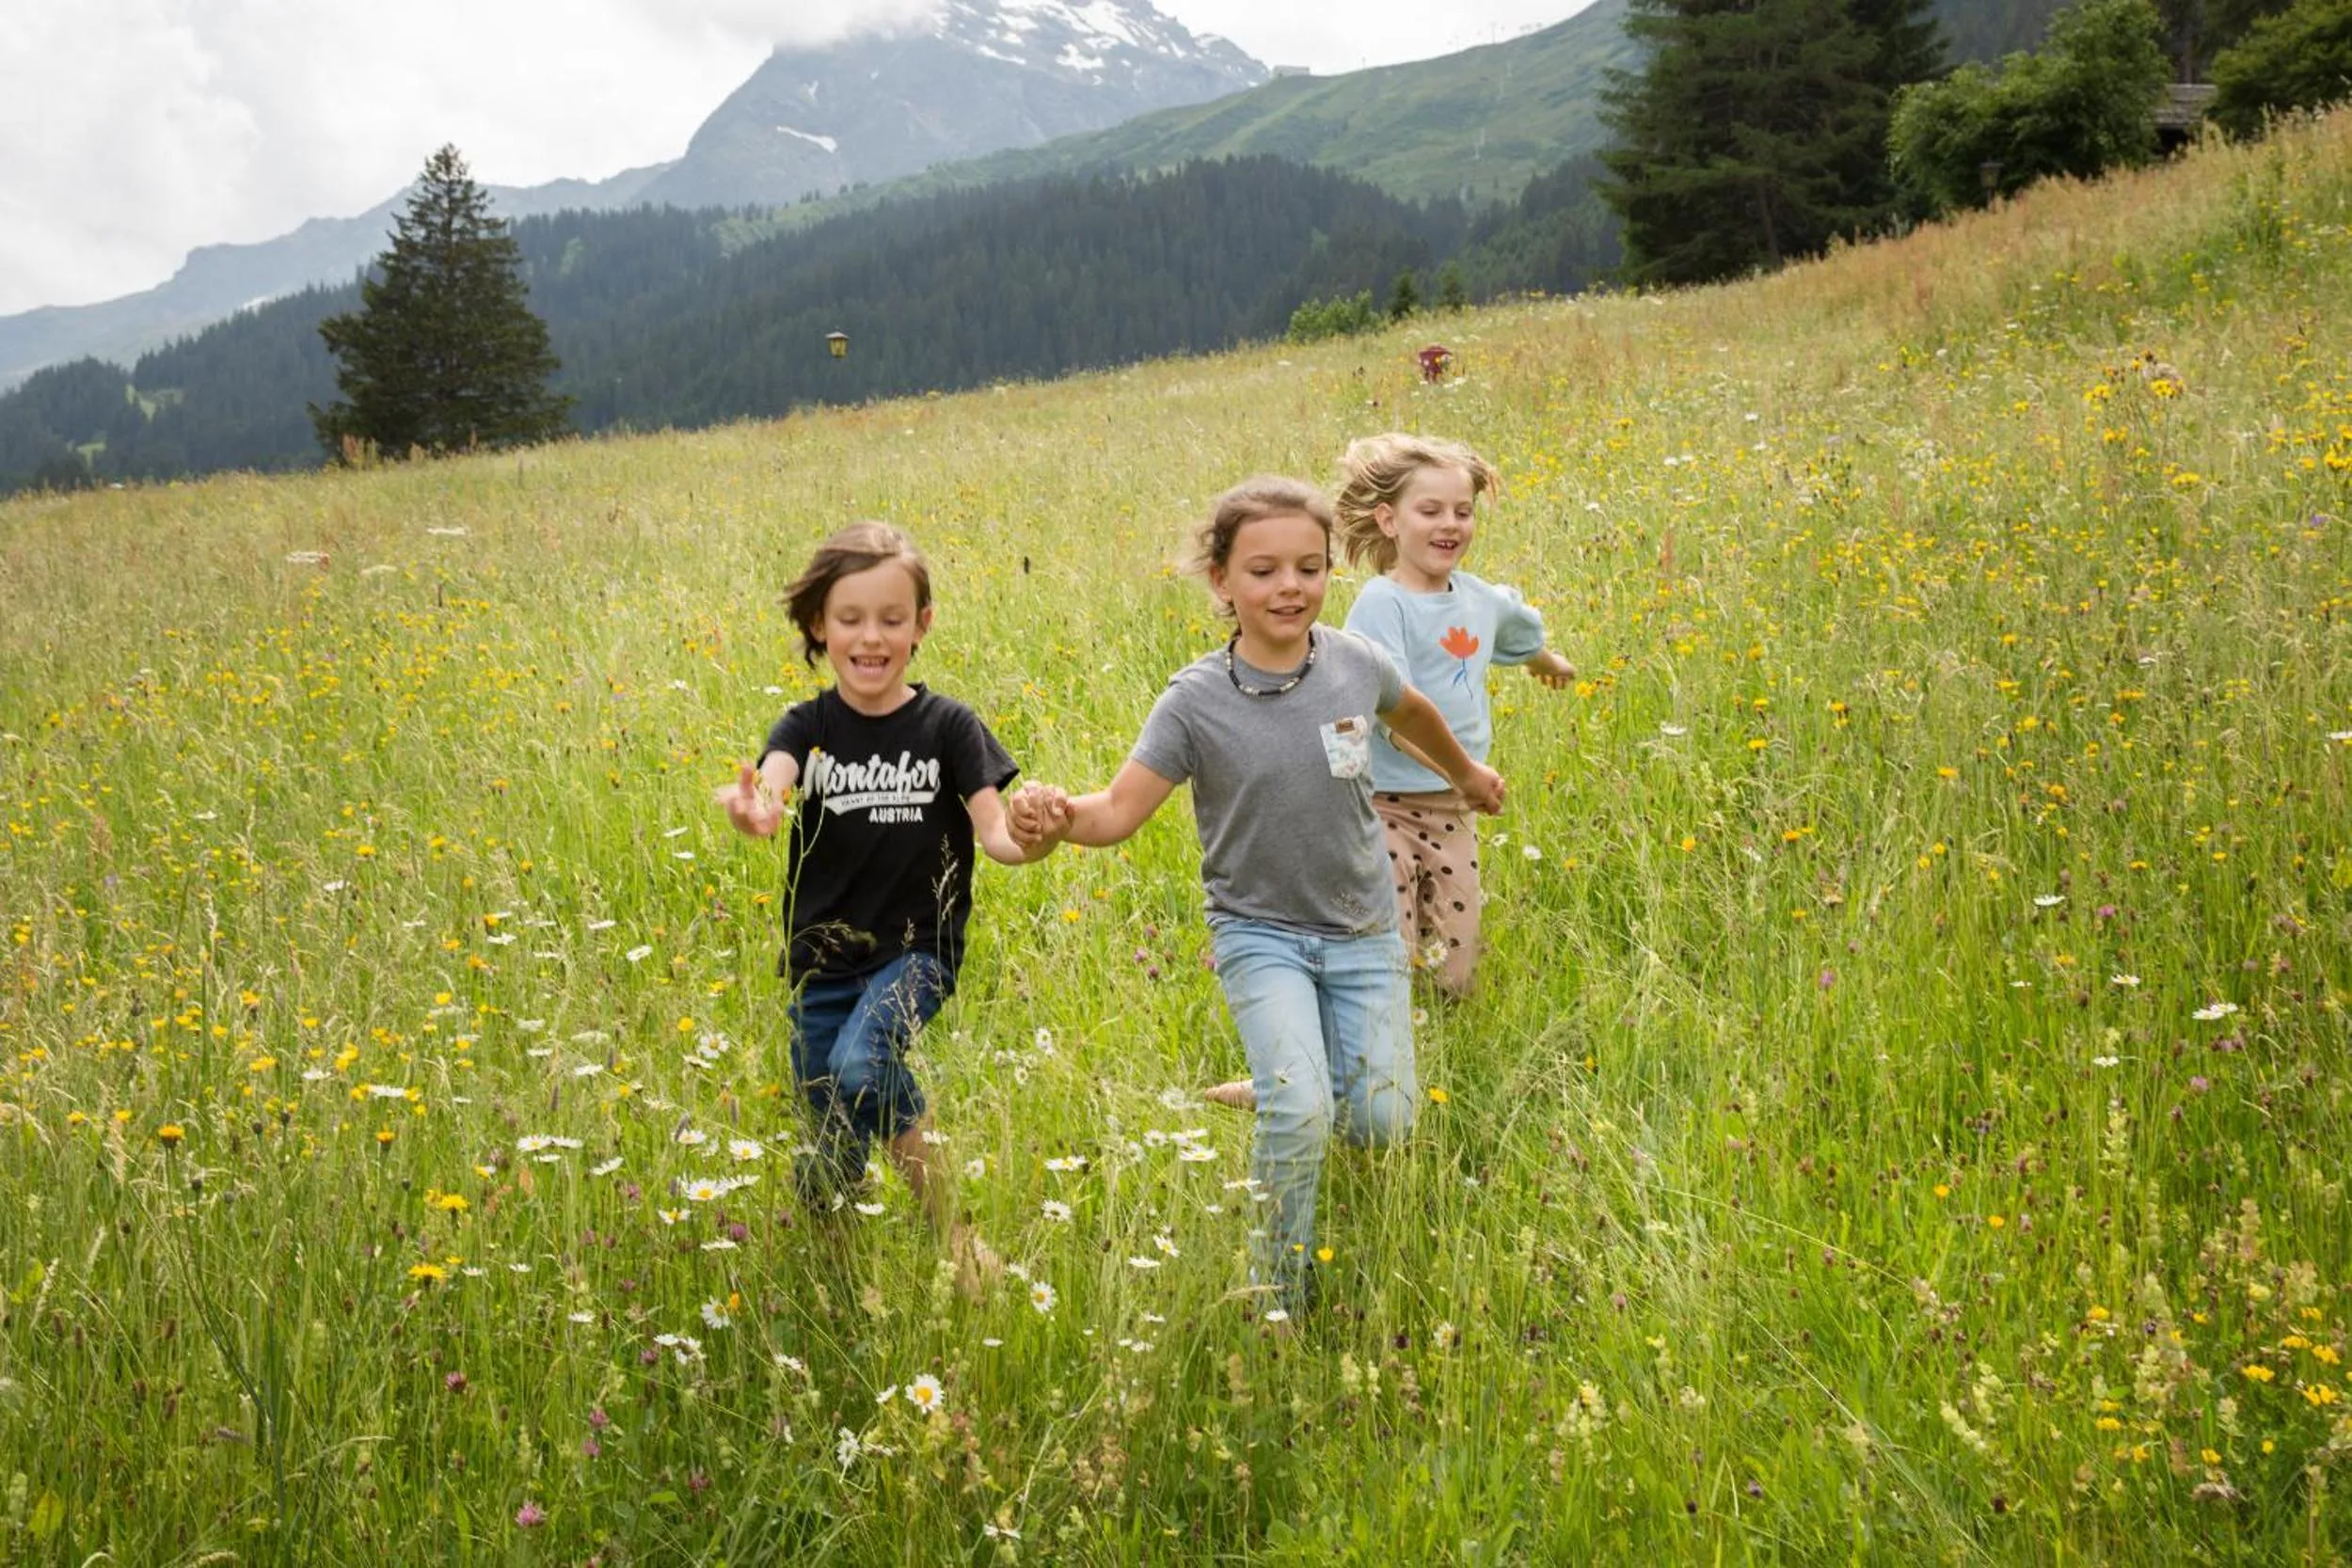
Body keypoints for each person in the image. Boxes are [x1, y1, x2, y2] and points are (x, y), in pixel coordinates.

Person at [1008, 476, 1503, 1315]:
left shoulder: (1352, 664)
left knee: (1385, 1122)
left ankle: (1283, 1085)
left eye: (1309, 568)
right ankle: (1282, 1288)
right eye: (1265, 570)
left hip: (1361, 929)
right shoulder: (1194, 702)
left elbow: (1409, 709)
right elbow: (1118, 811)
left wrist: (1464, 772)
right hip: (1260, 934)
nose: (1290, 587)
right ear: (1222, 581)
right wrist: (1053, 819)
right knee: (1303, 1117)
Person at [1199, 436, 1574, 1110]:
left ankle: (1410, 1070)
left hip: (1453, 813)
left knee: (1454, 967)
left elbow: (1516, 634)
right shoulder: (1382, 604)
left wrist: (1545, 661)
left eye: (1463, 510)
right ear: (1389, 520)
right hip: (1381, 807)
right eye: (1431, 510)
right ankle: (1293, 1077)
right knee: (1382, 954)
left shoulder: (1482, 599)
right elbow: (1394, 713)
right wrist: (1460, 772)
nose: (1450, 524)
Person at [716, 521, 1041, 1290]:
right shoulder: (806, 726)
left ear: (922, 625)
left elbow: (997, 835)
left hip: (916, 951)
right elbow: (773, 784)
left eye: (892, 619)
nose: (871, 637)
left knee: (865, 1066)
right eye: (851, 619)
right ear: (818, 627)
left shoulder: (949, 727)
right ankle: (835, 1284)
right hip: (820, 963)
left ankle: (958, 1240)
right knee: (830, 1139)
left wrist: (1038, 834)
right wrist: (757, 810)